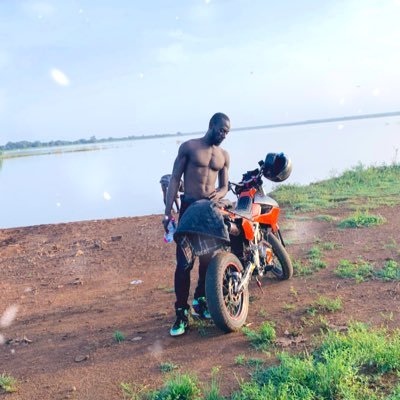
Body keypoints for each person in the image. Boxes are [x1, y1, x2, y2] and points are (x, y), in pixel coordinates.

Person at [162, 112, 231, 336]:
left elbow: (224, 186)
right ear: (211, 125)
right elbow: (174, 178)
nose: (223, 134)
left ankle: (200, 301)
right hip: (190, 208)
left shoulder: (224, 156)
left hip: (209, 211)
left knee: (208, 260)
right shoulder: (189, 147)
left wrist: (219, 194)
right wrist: (167, 213)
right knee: (184, 262)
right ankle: (181, 313)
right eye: (221, 129)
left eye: (227, 132)